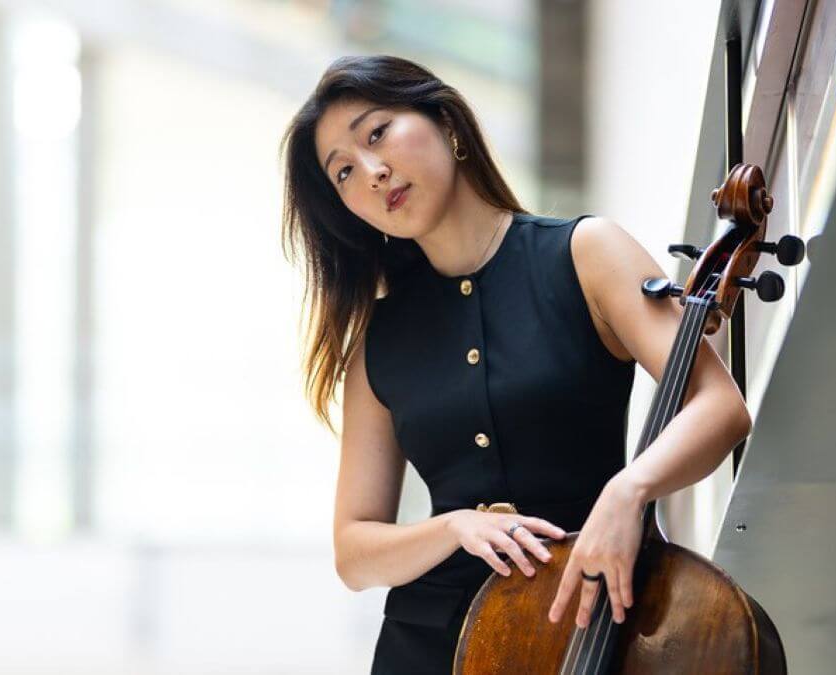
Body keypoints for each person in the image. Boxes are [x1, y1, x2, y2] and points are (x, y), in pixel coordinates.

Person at [278, 54, 753, 674]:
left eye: (377, 133)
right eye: (344, 172)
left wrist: (628, 492)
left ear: (446, 122)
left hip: (589, 622)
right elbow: (354, 551)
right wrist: (454, 528)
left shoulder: (586, 253)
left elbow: (721, 406)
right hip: (430, 649)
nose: (373, 171)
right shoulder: (377, 340)